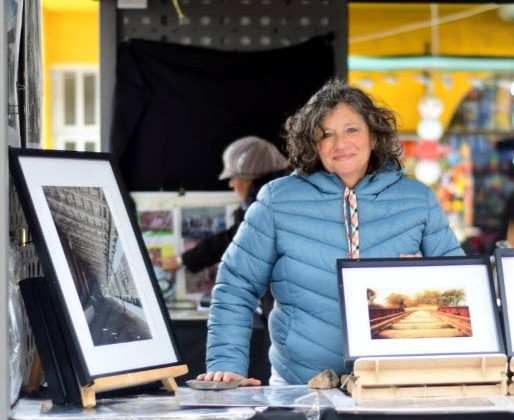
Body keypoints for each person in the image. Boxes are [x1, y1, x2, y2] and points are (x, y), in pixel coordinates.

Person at [197, 80, 464, 386]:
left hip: (395, 386)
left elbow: (458, 288)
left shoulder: (418, 200)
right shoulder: (277, 200)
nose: (340, 144)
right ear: (312, 143)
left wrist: (422, 281)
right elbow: (236, 284)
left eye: (352, 130)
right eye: (326, 134)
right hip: (301, 388)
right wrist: (227, 364)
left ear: (374, 136)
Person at [160, 136, 290, 275]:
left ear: (251, 178)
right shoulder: (284, 198)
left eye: (234, 177)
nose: (231, 184)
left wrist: (183, 260)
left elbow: (233, 240)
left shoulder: (269, 210)